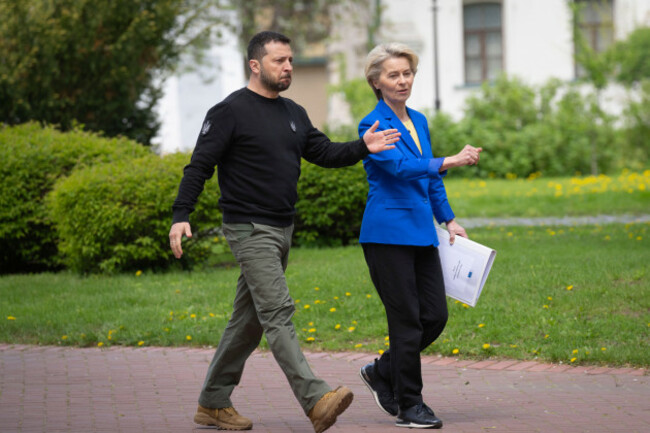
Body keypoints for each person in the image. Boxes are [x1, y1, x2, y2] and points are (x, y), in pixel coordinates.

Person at [168, 31, 400, 433]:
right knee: (277, 311)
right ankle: (316, 399)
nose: (289, 67)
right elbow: (200, 165)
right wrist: (180, 213)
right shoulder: (229, 111)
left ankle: (213, 403)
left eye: (291, 60)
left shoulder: (293, 112)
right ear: (255, 65)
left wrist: (363, 145)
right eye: (279, 61)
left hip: (281, 228)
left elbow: (324, 153)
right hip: (248, 228)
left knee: (249, 320)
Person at [356, 43, 482, 429]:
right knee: (407, 321)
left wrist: (449, 220)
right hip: (386, 235)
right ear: (376, 81)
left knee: (435, 315)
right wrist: (451, 160)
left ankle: (382, 371)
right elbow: (402, 169)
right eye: (393, 75)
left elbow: (427, 179)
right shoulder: (372, 126)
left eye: (407, 73)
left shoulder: (419, 120)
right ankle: (410, 405)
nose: (402, 80)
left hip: (422, 234)